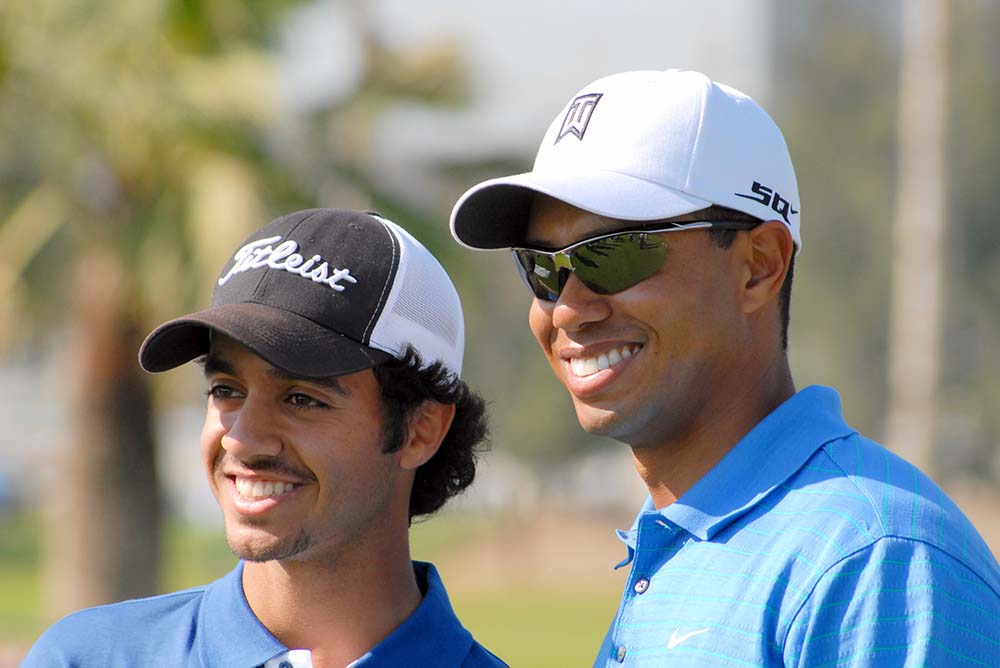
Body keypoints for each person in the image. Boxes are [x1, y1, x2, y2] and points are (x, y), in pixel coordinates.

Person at [449, 69, 1000, 666]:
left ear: (759, 267)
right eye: (543, 267)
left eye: (614, 253)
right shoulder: (679, 540)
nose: (570, 309)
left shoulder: (873, 562)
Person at [24, 208, 508, 668]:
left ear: (420, 430)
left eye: (301, 398)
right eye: (226, 390)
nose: (243, 440)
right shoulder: (88, 657)